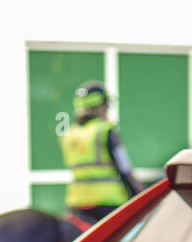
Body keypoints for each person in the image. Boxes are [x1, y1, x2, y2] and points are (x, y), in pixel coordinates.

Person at [59, 81, 143, 225]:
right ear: (99, 106)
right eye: (106, 105)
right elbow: (124, 169)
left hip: (77, 204)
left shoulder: (69, 134)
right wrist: (140, 194)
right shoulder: (105, 130)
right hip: (108, 203)